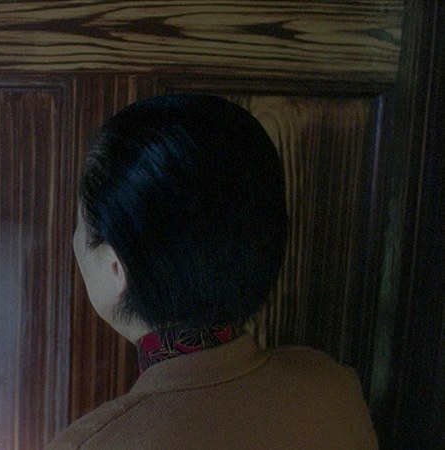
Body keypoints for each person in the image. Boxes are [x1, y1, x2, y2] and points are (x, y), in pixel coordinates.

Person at [48, 95, 377, 449]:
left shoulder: (93, 444)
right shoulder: (334, 388)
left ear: (115, 267)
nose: (75, 240)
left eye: (80, 223)